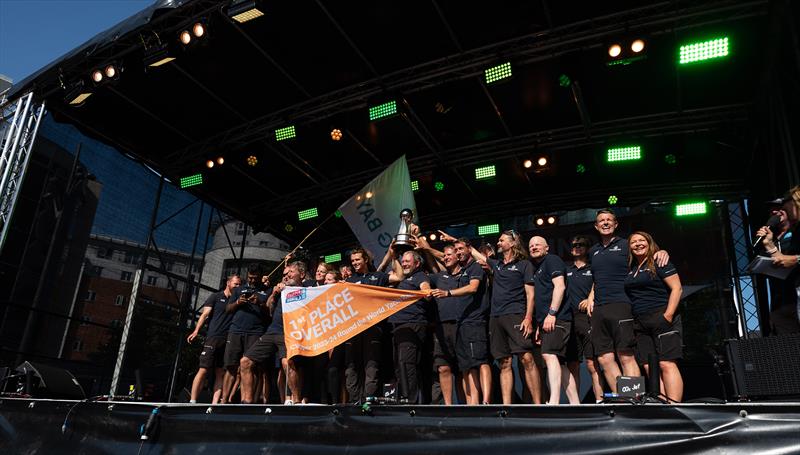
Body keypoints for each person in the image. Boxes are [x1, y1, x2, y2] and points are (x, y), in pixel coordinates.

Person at [587, 209, 668, 393]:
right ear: (596, 226)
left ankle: (634, 398)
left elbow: (646, 252)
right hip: (599, 309)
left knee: (625, 355)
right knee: (604, 359)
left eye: (609, 220)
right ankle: (623, 397)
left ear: (616, 224)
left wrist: (661, 251)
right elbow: (596, 278)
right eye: (601, 220)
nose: (605, 223)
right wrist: (591, 296)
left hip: (622, 305)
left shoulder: (626, 245)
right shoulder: (593, 251)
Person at [457, 230, 540, 404]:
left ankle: (538, 404)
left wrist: (528, 318)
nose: (499, 243)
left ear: (513, 243)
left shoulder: (524, 265)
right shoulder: (498, 265)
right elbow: (476, 254)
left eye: (502, 240)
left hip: (516, 314)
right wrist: (456, 240)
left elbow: (530, 294)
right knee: (504, 362)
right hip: (496, 317)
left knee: (526, 358)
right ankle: (506, 406)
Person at [624, 231, 684, 402]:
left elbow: (677, 288)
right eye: (633, 242)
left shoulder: (659, 261)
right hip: (640, 321)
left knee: (666, 363)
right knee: (649, 366)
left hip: (661, 315)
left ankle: (674, 406)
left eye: (641, 240)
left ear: (650, 243)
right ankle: (661, 403)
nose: (637, 244)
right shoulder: (632, 269)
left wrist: (668, 316)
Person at [239, 261, 307, 404]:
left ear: (302, 274)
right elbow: (269, 309)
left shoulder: (306, 291)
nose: (287, 276)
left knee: (287, 363)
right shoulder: (280, 291)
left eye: (291, 273)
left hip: (288, 333)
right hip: (272, 332)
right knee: (245, 362)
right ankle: (247, 402)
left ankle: (296, 400)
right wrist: (274, 294)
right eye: (286, 274)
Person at [344, 246, 403, 403]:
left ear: (366, 260)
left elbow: (398, 277)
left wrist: (394, 257)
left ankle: (367, 401)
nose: (355, 263)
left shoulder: (378, 277)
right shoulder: (348, 281)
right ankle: (354, 401)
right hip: (353, 329)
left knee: (371, 366)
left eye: (357, 260)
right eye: (353, 261)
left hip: (373, 328)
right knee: (351, 368)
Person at [529, 236, 579, 404]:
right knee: (560, 363)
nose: (534, 247)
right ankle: (575, 403)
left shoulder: (552, 260)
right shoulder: (538, 267)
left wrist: (551, 314)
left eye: (538, 245)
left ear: (547, 247)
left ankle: (554, 400)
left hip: (557, 318)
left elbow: (560, 286)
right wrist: (539, 324)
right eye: (531, 246)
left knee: (549, 355)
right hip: (548, 320)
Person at [186, 274, 241, 403]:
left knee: (220, 372)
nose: (238, 286)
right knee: (203, 369)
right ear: (228, 283)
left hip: (227, 340)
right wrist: (196, 331)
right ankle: (192, 401)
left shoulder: (237, 301)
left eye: (239, 284)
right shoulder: (215, 297)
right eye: (235, 284)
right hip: (213, 337)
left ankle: (215, 404)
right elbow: (205, 315)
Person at [564, 235, 604, 403]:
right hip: (569, 320)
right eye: (574, 245)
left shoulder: (593, 268)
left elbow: (602, 284)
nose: (577, 247)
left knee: (592, 363)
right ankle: (575, 404)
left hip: (588, 318)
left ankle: (599, 401)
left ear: (587, 248)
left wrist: (591, 298)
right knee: (572, 365)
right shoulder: (566, 270)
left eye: (581, 245)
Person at [221, 266, 269, 403]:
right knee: (230, 367)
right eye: (250, 277)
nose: (252, 280)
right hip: (236, 330)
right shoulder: (238, 290)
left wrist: (259, 303)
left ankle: (246, 401)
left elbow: (270, 312)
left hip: (255, 331)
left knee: (252, 367)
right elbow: (228, 309)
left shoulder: (266, 290)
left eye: (255, 278)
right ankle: (223, 401)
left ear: (260, 276)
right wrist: (237, 302)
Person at [389, 250, 432, 403]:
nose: (405, 264)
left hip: (412, 325)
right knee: (399, 366)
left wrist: (426, 292)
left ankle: (412, 402)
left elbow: (425, 287)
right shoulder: (400, 279)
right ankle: (405, 398)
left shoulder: (420, 275)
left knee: (407, 364)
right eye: (403, 261)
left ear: (417, 263)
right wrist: (393, 256)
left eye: (408, 261)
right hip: (398, 327)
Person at [758, 186, 800, 330]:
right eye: (771, 209)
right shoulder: (776, 237)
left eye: (780, 207)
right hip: (782, 297)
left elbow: (792, 260)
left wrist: (796, 259)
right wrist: (769, 244)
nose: (775, 211)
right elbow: (782, 260)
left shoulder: (795, 233)